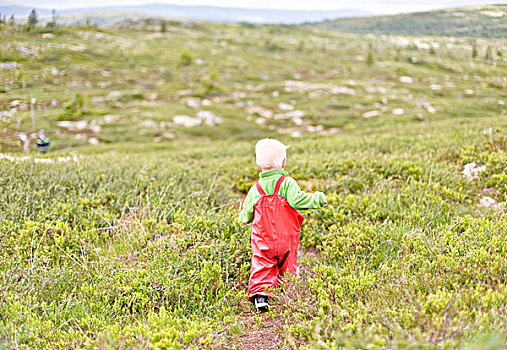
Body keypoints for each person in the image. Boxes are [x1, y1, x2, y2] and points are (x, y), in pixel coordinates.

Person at [239, 138, 327, 312]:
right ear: (284, 162)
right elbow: (299, 200)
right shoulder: (287, 184)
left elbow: (247, 211)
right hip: (287, 237)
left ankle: (261, 297)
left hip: (263, 239)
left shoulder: (256, 189)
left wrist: (244, 218)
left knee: (262, 263)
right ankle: (289, 290)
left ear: (258, 164)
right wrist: (317, 198)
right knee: (288, 264)